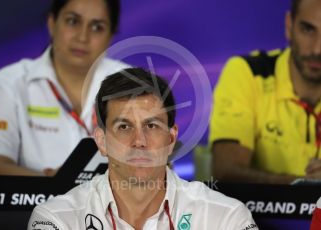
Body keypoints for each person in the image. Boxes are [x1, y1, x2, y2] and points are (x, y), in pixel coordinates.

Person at [28, 68, 258, 230]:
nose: (140, 141)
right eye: (124, 126)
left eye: (151, 125)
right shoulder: (56, 220)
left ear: (171, 138)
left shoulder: (226, 218)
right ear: (101, 141)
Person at [0, 0, 129, 176]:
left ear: (111, 35)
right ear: (52, 23)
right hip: (34, 202)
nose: (82, 37)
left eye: (97, 27)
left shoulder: (132, 84)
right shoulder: (10, 82)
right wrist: (55, 185)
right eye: (73, 21)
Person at [209, 0, 321, 184]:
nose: (317, 49)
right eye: (308, 30)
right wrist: (303, 186)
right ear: (289, 26)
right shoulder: (248, 73)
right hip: (259, 214)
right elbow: (225, 172)